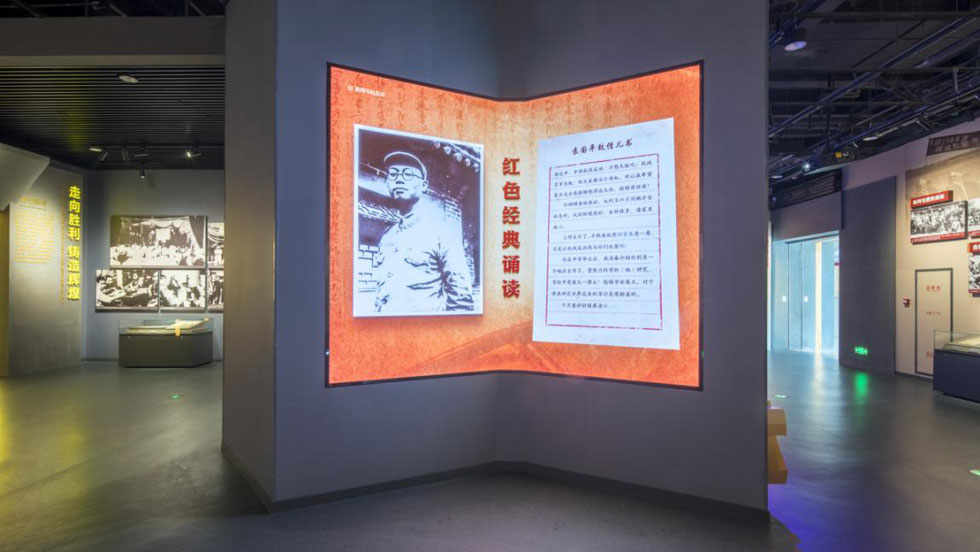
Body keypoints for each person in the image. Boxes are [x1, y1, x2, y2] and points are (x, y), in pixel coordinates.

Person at [372, 151, 474, 314]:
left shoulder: (441, 232)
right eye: (393, 174)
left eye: (408, 174)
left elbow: (461, 301)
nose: (399, 179)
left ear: (424, 185)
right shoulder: (387, 236)